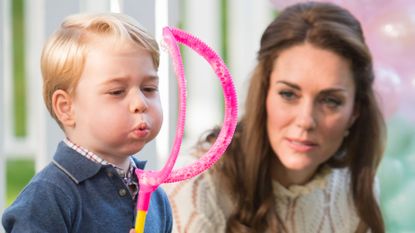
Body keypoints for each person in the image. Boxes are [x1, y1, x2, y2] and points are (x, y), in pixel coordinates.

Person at [163, 1, 386, 233]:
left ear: (355, 111)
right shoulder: (198, 187)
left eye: (331, 101)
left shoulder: (356, 188)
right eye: (288, 94)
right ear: (264, 93)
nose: (306, 120)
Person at [2, 12, 172, 233]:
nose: (140, 103)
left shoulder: (155, 196)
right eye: (117, 91)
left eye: (149, 88)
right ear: (66, 108)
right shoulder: (49, 197)